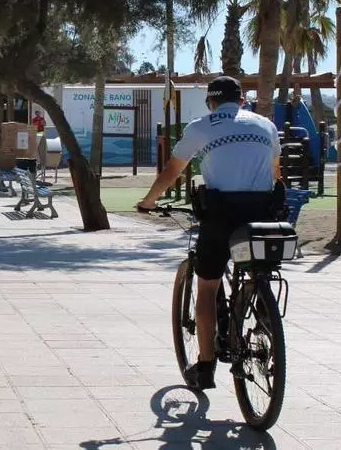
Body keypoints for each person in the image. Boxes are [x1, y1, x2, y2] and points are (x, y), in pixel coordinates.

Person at [136, 76, 283, 390]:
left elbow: (172, 171)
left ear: (210, 103)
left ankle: (205, 367)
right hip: (262, 213)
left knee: (207, 287)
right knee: (257, 268)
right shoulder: (266, 126)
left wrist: (149, 202)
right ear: (241, 101)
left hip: (220, 214)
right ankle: (260, 308)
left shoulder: (200, 127)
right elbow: (276, 173)